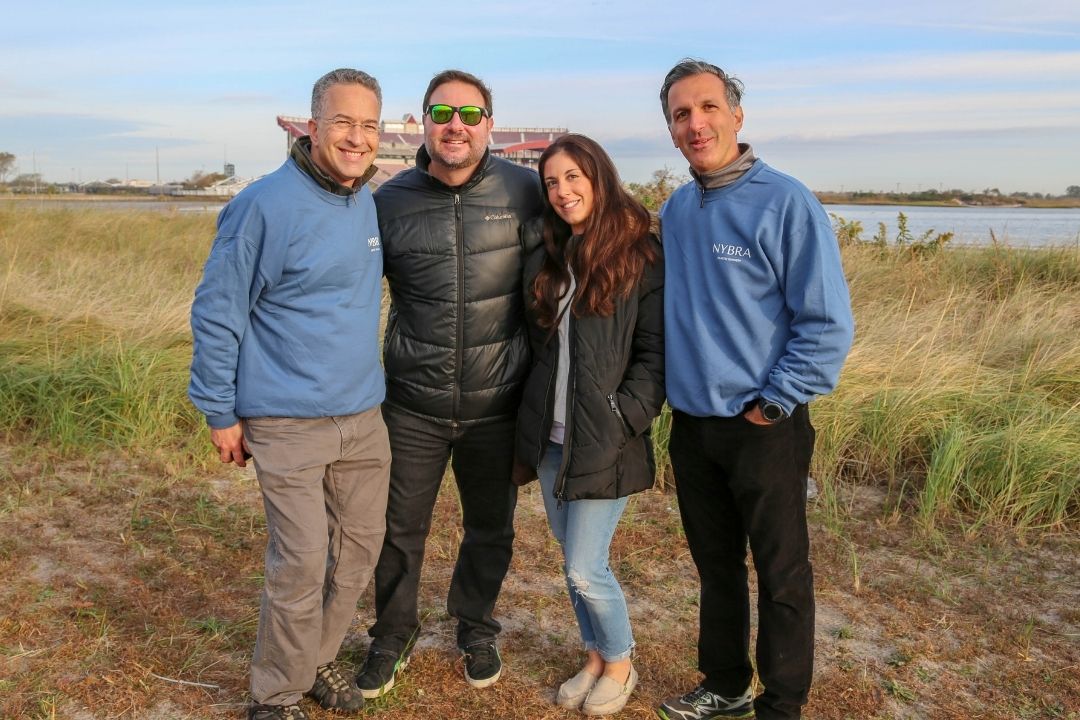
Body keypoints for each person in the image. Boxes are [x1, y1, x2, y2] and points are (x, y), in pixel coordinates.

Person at [655, 59, 855, 720]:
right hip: (693, 425)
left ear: (737, 116)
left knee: (782, 573)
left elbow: (826, 323)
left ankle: (784, 702)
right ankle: (725, 684)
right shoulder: (678, 210)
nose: (696, 123)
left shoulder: (785, 200)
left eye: (708, 107)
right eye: (681, 113)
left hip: (764, 423)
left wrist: (776, 401)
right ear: (671, 128)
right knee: (716, 568)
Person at [189, 68, 391, 720]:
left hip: (363, 417)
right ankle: (273, 697)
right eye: (342, 122)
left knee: (358, 554)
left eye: (368, 125)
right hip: (286, 421)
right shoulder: (263, 206)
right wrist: (220, 411)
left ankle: (313, 663)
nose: (356, 138)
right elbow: (219, 312)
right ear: (311, 125)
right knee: (301, 564)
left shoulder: (363, 198)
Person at [354, 69, 544, 698]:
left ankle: (475, 623)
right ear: (423, 123)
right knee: (398, 527)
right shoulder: (387, 200)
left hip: (498, 403)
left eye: (469, 113)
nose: (454, 124)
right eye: (441, 111)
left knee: (491, 526)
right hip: (411, 404)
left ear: (490, 123)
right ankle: (392, 634)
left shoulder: (527, 191)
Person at [515, 134, 665, 716]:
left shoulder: (640, 254)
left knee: (585, 566)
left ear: (599, 178)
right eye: (551, 182)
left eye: (574, 177)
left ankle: (621, 662)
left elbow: (655, 356)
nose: (562, 191)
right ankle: (595, 655)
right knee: (570, 559)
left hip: (605, 439)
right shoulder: (552, 253)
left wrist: (622, 414)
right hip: (553, 440)